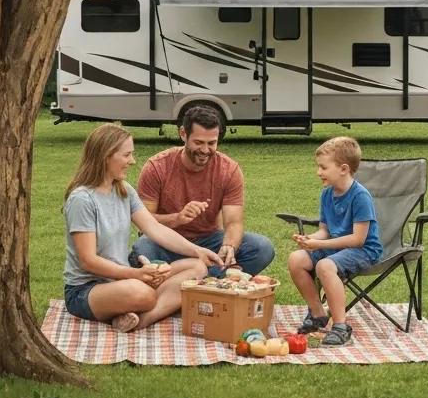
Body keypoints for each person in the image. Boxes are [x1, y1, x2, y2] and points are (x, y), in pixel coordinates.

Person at [64, 124, 220, 331]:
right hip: (86, 290)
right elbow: (88, 261)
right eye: (127, 155)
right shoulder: (82, 200)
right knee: (142, 293)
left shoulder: (123, 190)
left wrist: (197, 251)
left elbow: (155, 228)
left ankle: (139, 320)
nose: (132, 161)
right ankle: (150, 306)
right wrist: (136, 275)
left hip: (124, 277)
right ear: (106, 156)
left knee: (197, 267)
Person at [131, 105, 275, 276]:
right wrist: (177, 219)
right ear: (183, 134)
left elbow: (234, 222)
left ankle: (194, 278)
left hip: (209, 240)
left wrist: (229, 245)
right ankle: (211, 277)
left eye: (212, 143)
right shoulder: (157, 167)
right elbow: (144, 224)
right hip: (167, 241)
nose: (206, 150)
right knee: (144, 248)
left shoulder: (229, 170)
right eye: (198, 143)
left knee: (262, 247)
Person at [287, 136, 384, 346]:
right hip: (337, 247)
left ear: (343, 169)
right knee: (296, 259)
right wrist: (310, 239)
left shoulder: (360, 197)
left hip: (364, 250)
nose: (318, 172)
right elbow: (325, 230)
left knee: (324, 265)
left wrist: (319, 245)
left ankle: (340, 326)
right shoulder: (327, 194)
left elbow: (358, 239)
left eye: (323, 167)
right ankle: (317, 314)